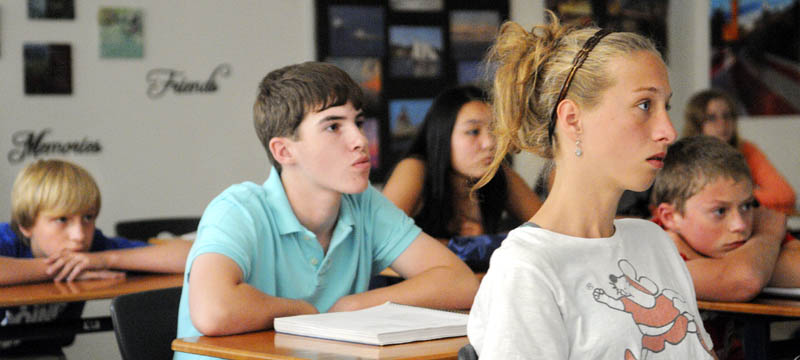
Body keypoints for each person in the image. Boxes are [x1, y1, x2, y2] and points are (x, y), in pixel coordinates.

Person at [175, 62, 479, 358]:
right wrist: (306, 312)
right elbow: (213, 312)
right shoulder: (238, 209)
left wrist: (353, 306)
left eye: (358, 123)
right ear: (284, 151)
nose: (360, 140)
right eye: (333, 126)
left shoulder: (363, 205)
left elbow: (460, 282)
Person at [467, 12, 716, 359]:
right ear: (572, 120)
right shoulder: (526, 269)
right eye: (644, 105)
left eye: (666, 107)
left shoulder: (654, 242)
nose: (668, 131)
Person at [0, 159, 192, 359]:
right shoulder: (7, 239)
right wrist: (57, 268)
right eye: (62, 219)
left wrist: (104, 259)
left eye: (88, 218)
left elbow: (194, 255)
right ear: (25, 225)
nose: (79, 235)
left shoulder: (94, 250)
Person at [382, 85, 541, 241]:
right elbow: (380, 240)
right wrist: (469, 245)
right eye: (473, 132)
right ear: (443, 135)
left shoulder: (499, 173)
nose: (490, 143)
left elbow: (549, 230)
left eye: (495, 130)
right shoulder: (414, 168)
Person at [651, 135, 798, 301]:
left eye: (746, 206)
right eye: (720, 211)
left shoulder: (753, 221)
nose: (739, 225)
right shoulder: (651, 250)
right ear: (671, 217)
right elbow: (745, 281)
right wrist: (767, 237)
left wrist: (729, 269)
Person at [684, 89, 796, 214]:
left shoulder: (746, 149)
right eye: (712, 118)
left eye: (727, 116)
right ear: (696, 124)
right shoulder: (684, 157)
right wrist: (744, 200)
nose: (722, 124)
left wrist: (733, 197)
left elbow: (785, 194)